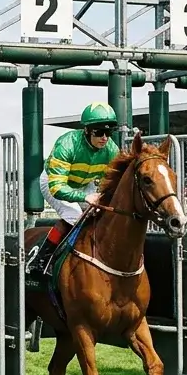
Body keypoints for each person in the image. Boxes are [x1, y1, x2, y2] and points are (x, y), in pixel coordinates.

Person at [27, 101, 120, 274]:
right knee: (75, 216)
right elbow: (57, 187)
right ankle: (41, 259)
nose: (105, 138)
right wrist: (85, 198)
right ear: (86, 130)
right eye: (99, 132)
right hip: (54, 182)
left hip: (84, 184)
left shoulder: (111, 149)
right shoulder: (67, 144)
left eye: (108, 132)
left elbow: (114, 181)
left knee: (99, 215)